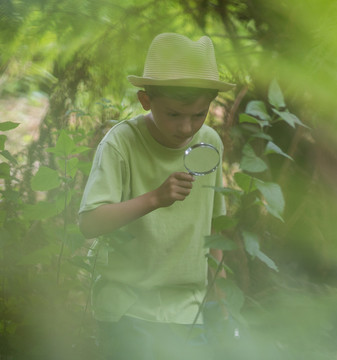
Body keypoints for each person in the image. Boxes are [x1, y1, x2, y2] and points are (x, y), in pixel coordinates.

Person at [78, 33, 235, 360]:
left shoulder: (210, 143)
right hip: (128, 306)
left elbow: (215, 228)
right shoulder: (120, 143)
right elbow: (90, 223)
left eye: (199, 114)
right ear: (146, 101)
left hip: (187, 310)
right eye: (175, 114)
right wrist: (155, 198)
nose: (186, 128)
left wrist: (219, 298)